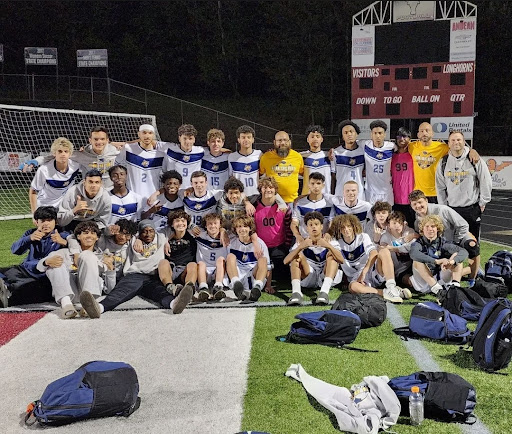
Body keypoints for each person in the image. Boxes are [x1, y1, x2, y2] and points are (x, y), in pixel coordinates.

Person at [79, 219, 194, 318]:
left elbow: (179, 224)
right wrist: (136, 238)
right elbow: (110, 234)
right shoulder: (131, 240)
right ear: (139, 233)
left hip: (153, 276)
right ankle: (98, 308)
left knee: (160, 292)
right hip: (134, 275)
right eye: (144, 231)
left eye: (151, 231)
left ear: (155, 231)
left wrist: (192, 226)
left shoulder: (162, 235)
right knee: (120, 293)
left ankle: (175, 304)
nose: (148, 234)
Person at [435, 130, 492, 285]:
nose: (456, 143)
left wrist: (483, 202)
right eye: (453, 140)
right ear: (448, 143)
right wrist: (443, 208)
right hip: (452, 210)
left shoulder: (473, 159)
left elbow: (485, 179)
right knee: (452, 246)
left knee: (472, 246)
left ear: (463, 141)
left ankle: (473, 278)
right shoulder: (444, 162)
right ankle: (453, 278)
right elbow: (440, 187)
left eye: (459, 140)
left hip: (471, 208)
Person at [328, 214, 410, 303]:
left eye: (349, 226)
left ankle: (391, 286)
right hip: (356, 277)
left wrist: (364, 272)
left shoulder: (363, 236)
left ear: (354, 226)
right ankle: (386, 292)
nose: (346, 230)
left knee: (384, 251)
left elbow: (374, 253)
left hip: (372, 270)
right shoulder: (335, 242)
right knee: (353, 287)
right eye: (343, 227)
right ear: (338, 229)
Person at [40, 221, 112, 318]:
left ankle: (89, 304)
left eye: (92, 233)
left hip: (91, 291)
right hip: (69, 291)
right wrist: (46, 262)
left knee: (87, 255)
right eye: (85, 233)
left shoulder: (104, 257)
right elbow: (40, 266)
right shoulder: (65, 252)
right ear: (78, 237)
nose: (89, 236)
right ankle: (66, 305)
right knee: (55, 261)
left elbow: (109, 289)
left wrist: (111, 270)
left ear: (97, 237)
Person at [0, 206, 70, 307]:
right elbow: (15, 250)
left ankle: (7, 292)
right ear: (37, 222)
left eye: (49, 220)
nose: (46, 224)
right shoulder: (31, 233)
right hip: (26, 269)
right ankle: (5, 287)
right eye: (42, 221)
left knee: (26, 289)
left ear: (55, 222)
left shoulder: (62, 235)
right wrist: (29, 239)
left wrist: (63, 242)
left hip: (43, 275)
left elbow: (76, 249)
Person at [409, 189, 477, 279]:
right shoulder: (417, 220)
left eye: (420, 202)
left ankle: (473, 274)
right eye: (414, 204)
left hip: (454, 239)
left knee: (471, 245)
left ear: (426, 200)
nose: (418, 206)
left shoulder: (442, 210)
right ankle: (466, 270)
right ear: (411, 206)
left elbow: (463, 225)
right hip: (438, 246)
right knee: (441, 273)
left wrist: (455, 242)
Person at [284, 211, 344, 306]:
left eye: (316, 224)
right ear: (306, 228)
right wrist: (301, 247)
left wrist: (328, 246)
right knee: (296, 256)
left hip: (324, 276)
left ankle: (324, 292)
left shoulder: (331, 241)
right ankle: (296, 293)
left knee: (332, 256)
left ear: (321, 226)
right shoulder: (302, 241)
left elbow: (341, 260)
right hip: (308, 276)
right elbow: (286, 261)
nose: (314, 227)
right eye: (310, 225)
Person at [409, 214, 468, 295]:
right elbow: (413, 254)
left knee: (457, 256)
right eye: (427, 226)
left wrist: (452, 262)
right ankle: (437, 290)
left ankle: (455, 286)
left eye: (433, 226)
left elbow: (464, 252)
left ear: (437, 229)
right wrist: (436, 261)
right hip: (423, 281)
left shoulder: (443, 242)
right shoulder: (418, 243)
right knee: (417, 261)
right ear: (422, 229)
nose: (430, 229)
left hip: (440, 277)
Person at [253, 177, 293, 293]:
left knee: (282, 277)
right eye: (265, 187)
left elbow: (288, 228)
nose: (268, 190)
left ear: (275, 190)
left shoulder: (284, 208)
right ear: (260, 189)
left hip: (278, 246)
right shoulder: (254, 206)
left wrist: (286, 245)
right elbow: (251, 228)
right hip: (261, 246)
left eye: (271, 187)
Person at [28, 137, 81, 218]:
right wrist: (34, 214)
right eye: (59, 151)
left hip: (64, 206)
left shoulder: (75, 166)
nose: (63, 154)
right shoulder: (44, 170)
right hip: (45, 206)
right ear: (54, 153)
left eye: (66, 151)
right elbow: (33, 191)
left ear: (70, 154)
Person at [226, 215, 271, 302]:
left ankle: (257, 287)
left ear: (250, 229)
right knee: (230, 256)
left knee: (263, 259)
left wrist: (268, 285)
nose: (242, 229)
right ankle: (236, 284)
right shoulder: (231, 243)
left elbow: (268, 267)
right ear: (235, 229)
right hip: (237, 274)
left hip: (253, 275)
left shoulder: (260, 244)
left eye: (245, 226)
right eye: (239, 227)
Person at [115, 124, 165, 201]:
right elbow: (116, 167)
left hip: (152, 199)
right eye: (144, 133)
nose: (147, 136)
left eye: (150, 133)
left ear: (154, 135)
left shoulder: (160, 155)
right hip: (131, 199)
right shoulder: (128, 149)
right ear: (139, 134)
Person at [157, 211, 200, 300]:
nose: (180, 223)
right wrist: (165, 241)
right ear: (172, 224)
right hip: (171, 270)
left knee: (193, 265)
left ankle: (189, 289)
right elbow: (154, 234)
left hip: (185, 271)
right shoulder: (166, 235)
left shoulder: (192, 236)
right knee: (163, 262)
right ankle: (171, 288)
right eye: (177, 221)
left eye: (183, 221)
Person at [260, 130, 304, 205]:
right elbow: (259, 175)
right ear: (274, 142)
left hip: (293, 201)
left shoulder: (297, 157)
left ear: (289, 142)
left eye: (285, 140)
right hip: (273, 201)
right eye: (279, 140)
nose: (283, 143)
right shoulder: (266, 157)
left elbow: (303, 175)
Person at [408, 122, 448, 203]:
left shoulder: (441, 147)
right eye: (422, 131)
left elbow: (459, 149)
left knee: (435, 216)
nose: (424, 133)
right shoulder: (411, 146)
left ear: (432, 134)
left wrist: (472, 151)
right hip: (418, 193)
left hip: (435, 192)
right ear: (418, 134)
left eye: (427, 130)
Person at [380, 211, 418, 288]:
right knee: (410, 282)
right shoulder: (385, 237)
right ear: (388, 225)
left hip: (413, 264)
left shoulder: (409, 232)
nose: (397, 226)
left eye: (400, 223)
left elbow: (411, 247)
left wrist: (395, 249)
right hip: (400, 269)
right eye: (394, 223)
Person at [291, 172, 334, 241]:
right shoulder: (300, 203)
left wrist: (329, 233)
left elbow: (331, 222)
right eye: (312, 183)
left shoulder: (329, 204)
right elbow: (294, 223)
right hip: (304, 239)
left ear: (323, 185)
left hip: (323, 240)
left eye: (318, 183)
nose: (315, 186)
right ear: (308, 185)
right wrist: (298, 236)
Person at [195, 213, 228, 300]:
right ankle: (203, 288)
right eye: (209, 223)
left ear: (220, 225)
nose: (212, 226)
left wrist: (223, 231)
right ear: (205, 225)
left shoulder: (227, 236)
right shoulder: (200, 235)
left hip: (219, 269)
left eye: (215, 223)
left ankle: (218, 286)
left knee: (221, 259)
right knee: (201, 263)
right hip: (204, 270)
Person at [160, 124, 204, 189]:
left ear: (194, 140)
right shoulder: (170, 150)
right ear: (179, 138)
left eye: (190, 138)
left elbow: (216, 150)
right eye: (184, 138)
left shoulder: (200, 151)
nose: (187, 141)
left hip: (192, 191)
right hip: (174, 191)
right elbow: (153, 143)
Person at [331, 120, 365, 200]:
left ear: (357, 134)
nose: (349, 134)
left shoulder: (363, 151)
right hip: (341, 194)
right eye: (345, 133)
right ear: (342, 137)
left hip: (359, 195)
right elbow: (333, 176)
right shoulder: (335, 153)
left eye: (351, 131)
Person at [364, 120, 394, 205]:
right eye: (375, 133)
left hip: (386, 191)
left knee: (388, 216)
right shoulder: (365, 145)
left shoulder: (392, 147)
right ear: (371, 134)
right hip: (370, 191)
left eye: (380, 133)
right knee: (371, 217)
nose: (377, 136)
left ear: (385, 134)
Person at [391, 127, 416, 228]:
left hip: (410, 198)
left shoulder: (413, 154)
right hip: (395, 197)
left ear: (410, 139)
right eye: (399, 136)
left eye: (405, 136)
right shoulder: (391, 156)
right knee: (398, 226)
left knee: (412, 226)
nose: (402, 139)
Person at [228, 125, 262, 196]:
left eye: (249, 137)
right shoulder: (232, 157)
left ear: (253, 139)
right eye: (243, 137)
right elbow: (231, 178)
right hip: (240, 197)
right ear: (238, 140)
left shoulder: (259, 154)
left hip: (257, 196)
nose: (246, 140)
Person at [301, 125, 332, 195]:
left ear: (322, 139)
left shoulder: (329, 156)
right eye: (312, 136)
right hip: (308, 197)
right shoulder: (301, 156)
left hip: (326, 197)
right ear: (307, 139)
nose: (315, 139)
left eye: (317, 136)